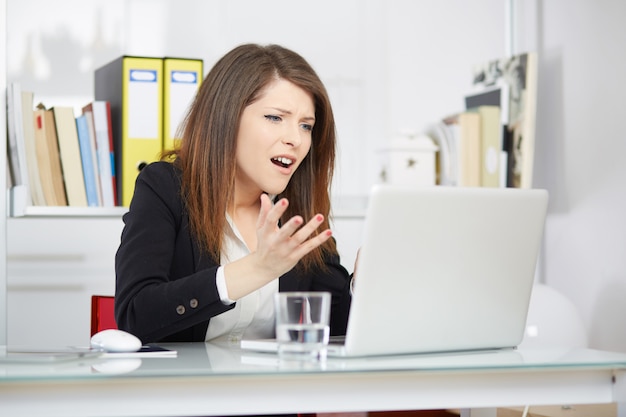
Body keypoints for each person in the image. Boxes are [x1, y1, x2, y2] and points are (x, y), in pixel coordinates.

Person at [114, 43, 353, 345]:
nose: (295, 139)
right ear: (226, 117)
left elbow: (333, 325)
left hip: (277, 390)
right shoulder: (164, 187)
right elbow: (136, 316)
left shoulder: (296, 210)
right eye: (275, 118)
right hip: (183, 389)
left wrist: (363, 287)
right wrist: (255, 269)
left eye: (306, 125)